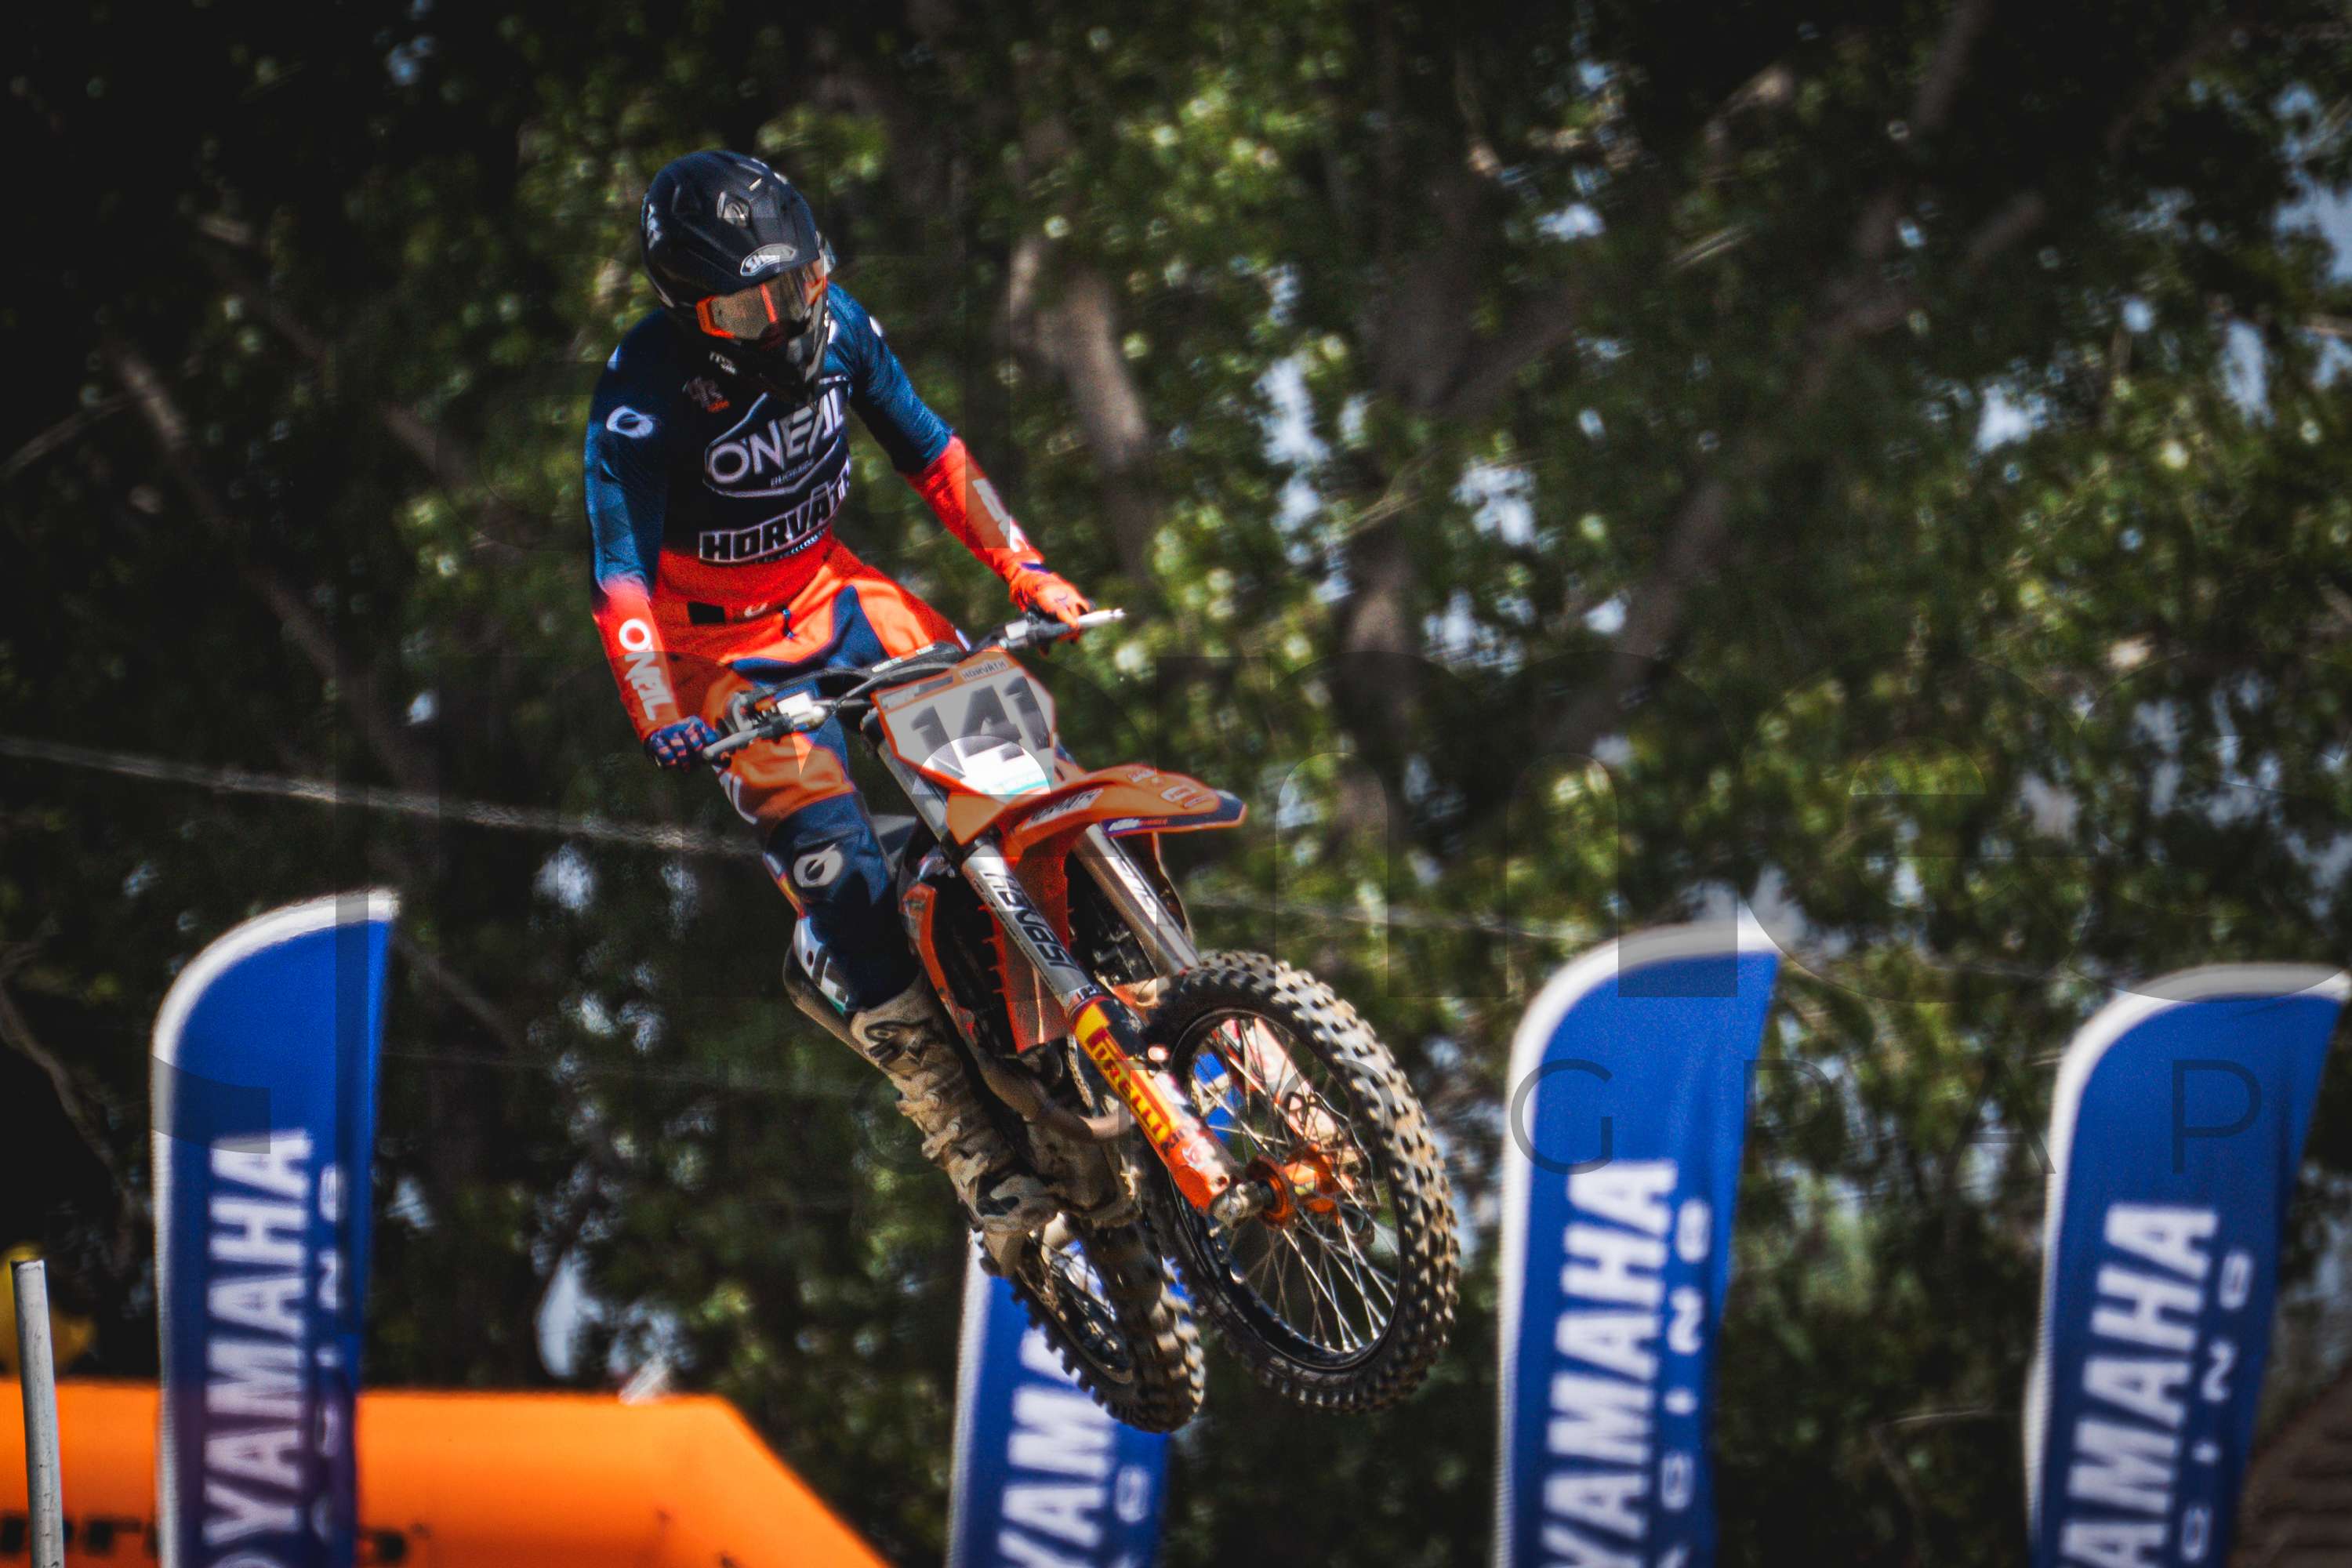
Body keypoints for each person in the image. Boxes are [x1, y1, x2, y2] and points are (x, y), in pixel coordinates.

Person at [583, 150, 1092, 1236]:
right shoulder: (640, 397)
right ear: (689, 314)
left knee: (1023, 765)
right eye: (746, 309)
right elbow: (618, 578)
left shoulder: (844, 325)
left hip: (836, 591)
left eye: (798, 285)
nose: (783, 322)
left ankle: (1108, 976)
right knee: (843, 872)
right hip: (716, 655)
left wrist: (1027, 569)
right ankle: (964, 1138)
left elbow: (933, 452)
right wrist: (656, 708)